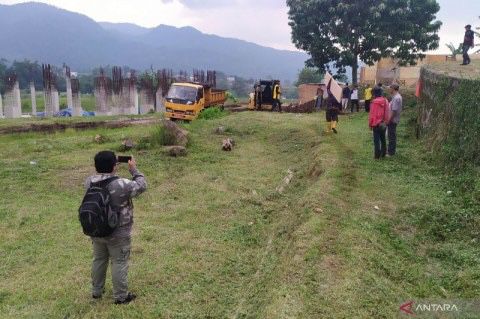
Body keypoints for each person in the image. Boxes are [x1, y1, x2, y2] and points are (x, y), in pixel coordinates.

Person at [85, 151, 147, 304]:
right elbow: (142, 186)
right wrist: (134, 170)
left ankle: (96, 291)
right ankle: (121, 297)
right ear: (115, 165)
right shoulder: (122, 184)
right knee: (119, 261)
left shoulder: (89, 181)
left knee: (99, 259)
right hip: (118, 232)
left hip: (96, 229)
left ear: (95, 165)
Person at [369, 87, 390, 159]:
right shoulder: (385, 101)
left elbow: (372, 114)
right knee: (383, 139)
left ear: (374, 93)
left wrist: (370, 124)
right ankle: (383, 154)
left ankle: (377, 156)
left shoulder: (374, 102)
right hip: (383, 123)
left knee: (376, 141)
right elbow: (387, 113)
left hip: (375, 124)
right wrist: (386, 122)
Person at [387, 84, 403, 156]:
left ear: (393, 88)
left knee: (391, 136)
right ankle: (390, 150)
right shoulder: (395, 97)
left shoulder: (397, 98)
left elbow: (394, 111)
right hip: (392, 119)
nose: (389, 90)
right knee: (391, 135)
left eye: (390, 88)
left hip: (392, 120)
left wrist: (389, 120)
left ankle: (391, 153)